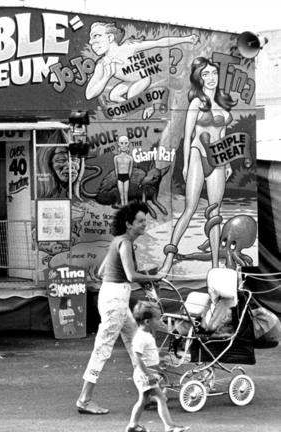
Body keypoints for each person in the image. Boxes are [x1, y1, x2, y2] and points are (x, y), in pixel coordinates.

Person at [76, 201, 162, 414]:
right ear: (128, 224)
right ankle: (84, 399)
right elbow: (132, 275)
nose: (144, 224)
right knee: (103, 348)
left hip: (115, 299)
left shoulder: (118, 242)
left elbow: (102, 271)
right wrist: (153, 277)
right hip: (115, 301)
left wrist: (129, 276)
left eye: (145, 220)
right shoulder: (125, 243)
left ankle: (149, 393)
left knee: (139, 345)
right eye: (140, 221)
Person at [160, 57, 237, 275]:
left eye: (213, 73)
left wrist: (228, 162)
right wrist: (185, 165)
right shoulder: (196, 103)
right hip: (197, 153)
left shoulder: (222, 105)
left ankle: (215, 267)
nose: (211, 78)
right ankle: (168, 261)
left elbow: (223, 135)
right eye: (206, 74)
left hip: (218, 158)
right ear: (199, 78)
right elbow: (187, 135)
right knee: (190, 208)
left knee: (215, 212)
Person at [85, 22, 198, 103]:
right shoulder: (102, 65)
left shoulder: (128, 48)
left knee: (131, 95)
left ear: (109, 37)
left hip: (143, 78)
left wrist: (186, 39)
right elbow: (89, 94)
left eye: (96, 36)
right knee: (113, 96)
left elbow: (158, 42)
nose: (91, 42)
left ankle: (148, 105)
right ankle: (141, 106)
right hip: (129, 82)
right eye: (91, 38)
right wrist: (105, 78)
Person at [126, 301, 189, 432]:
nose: (160, 321)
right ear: (148, 322)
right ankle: (169, 426)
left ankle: (133, 425)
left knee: (143, 401)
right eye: (157, 318)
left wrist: (158, 361)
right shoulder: (141, 337)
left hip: (146, 373)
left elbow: (147, 356)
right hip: (144, 374)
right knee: (161, 398)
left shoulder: (146, 335)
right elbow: (137, 357)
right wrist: (148, 375)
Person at [114, 135, 133, 206]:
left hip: (126, 176)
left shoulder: (130, 158)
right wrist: (117, 176)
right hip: (119, 176)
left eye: (125, 143)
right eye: (122, 143)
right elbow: (116, 168)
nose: (124, 145)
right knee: (121, 193)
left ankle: (126, 205)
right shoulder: (116, 158)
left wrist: (128, 176)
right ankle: (123, 205)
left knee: (126, 192)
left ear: (128, 143)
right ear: (118, 144)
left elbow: (130, 168)